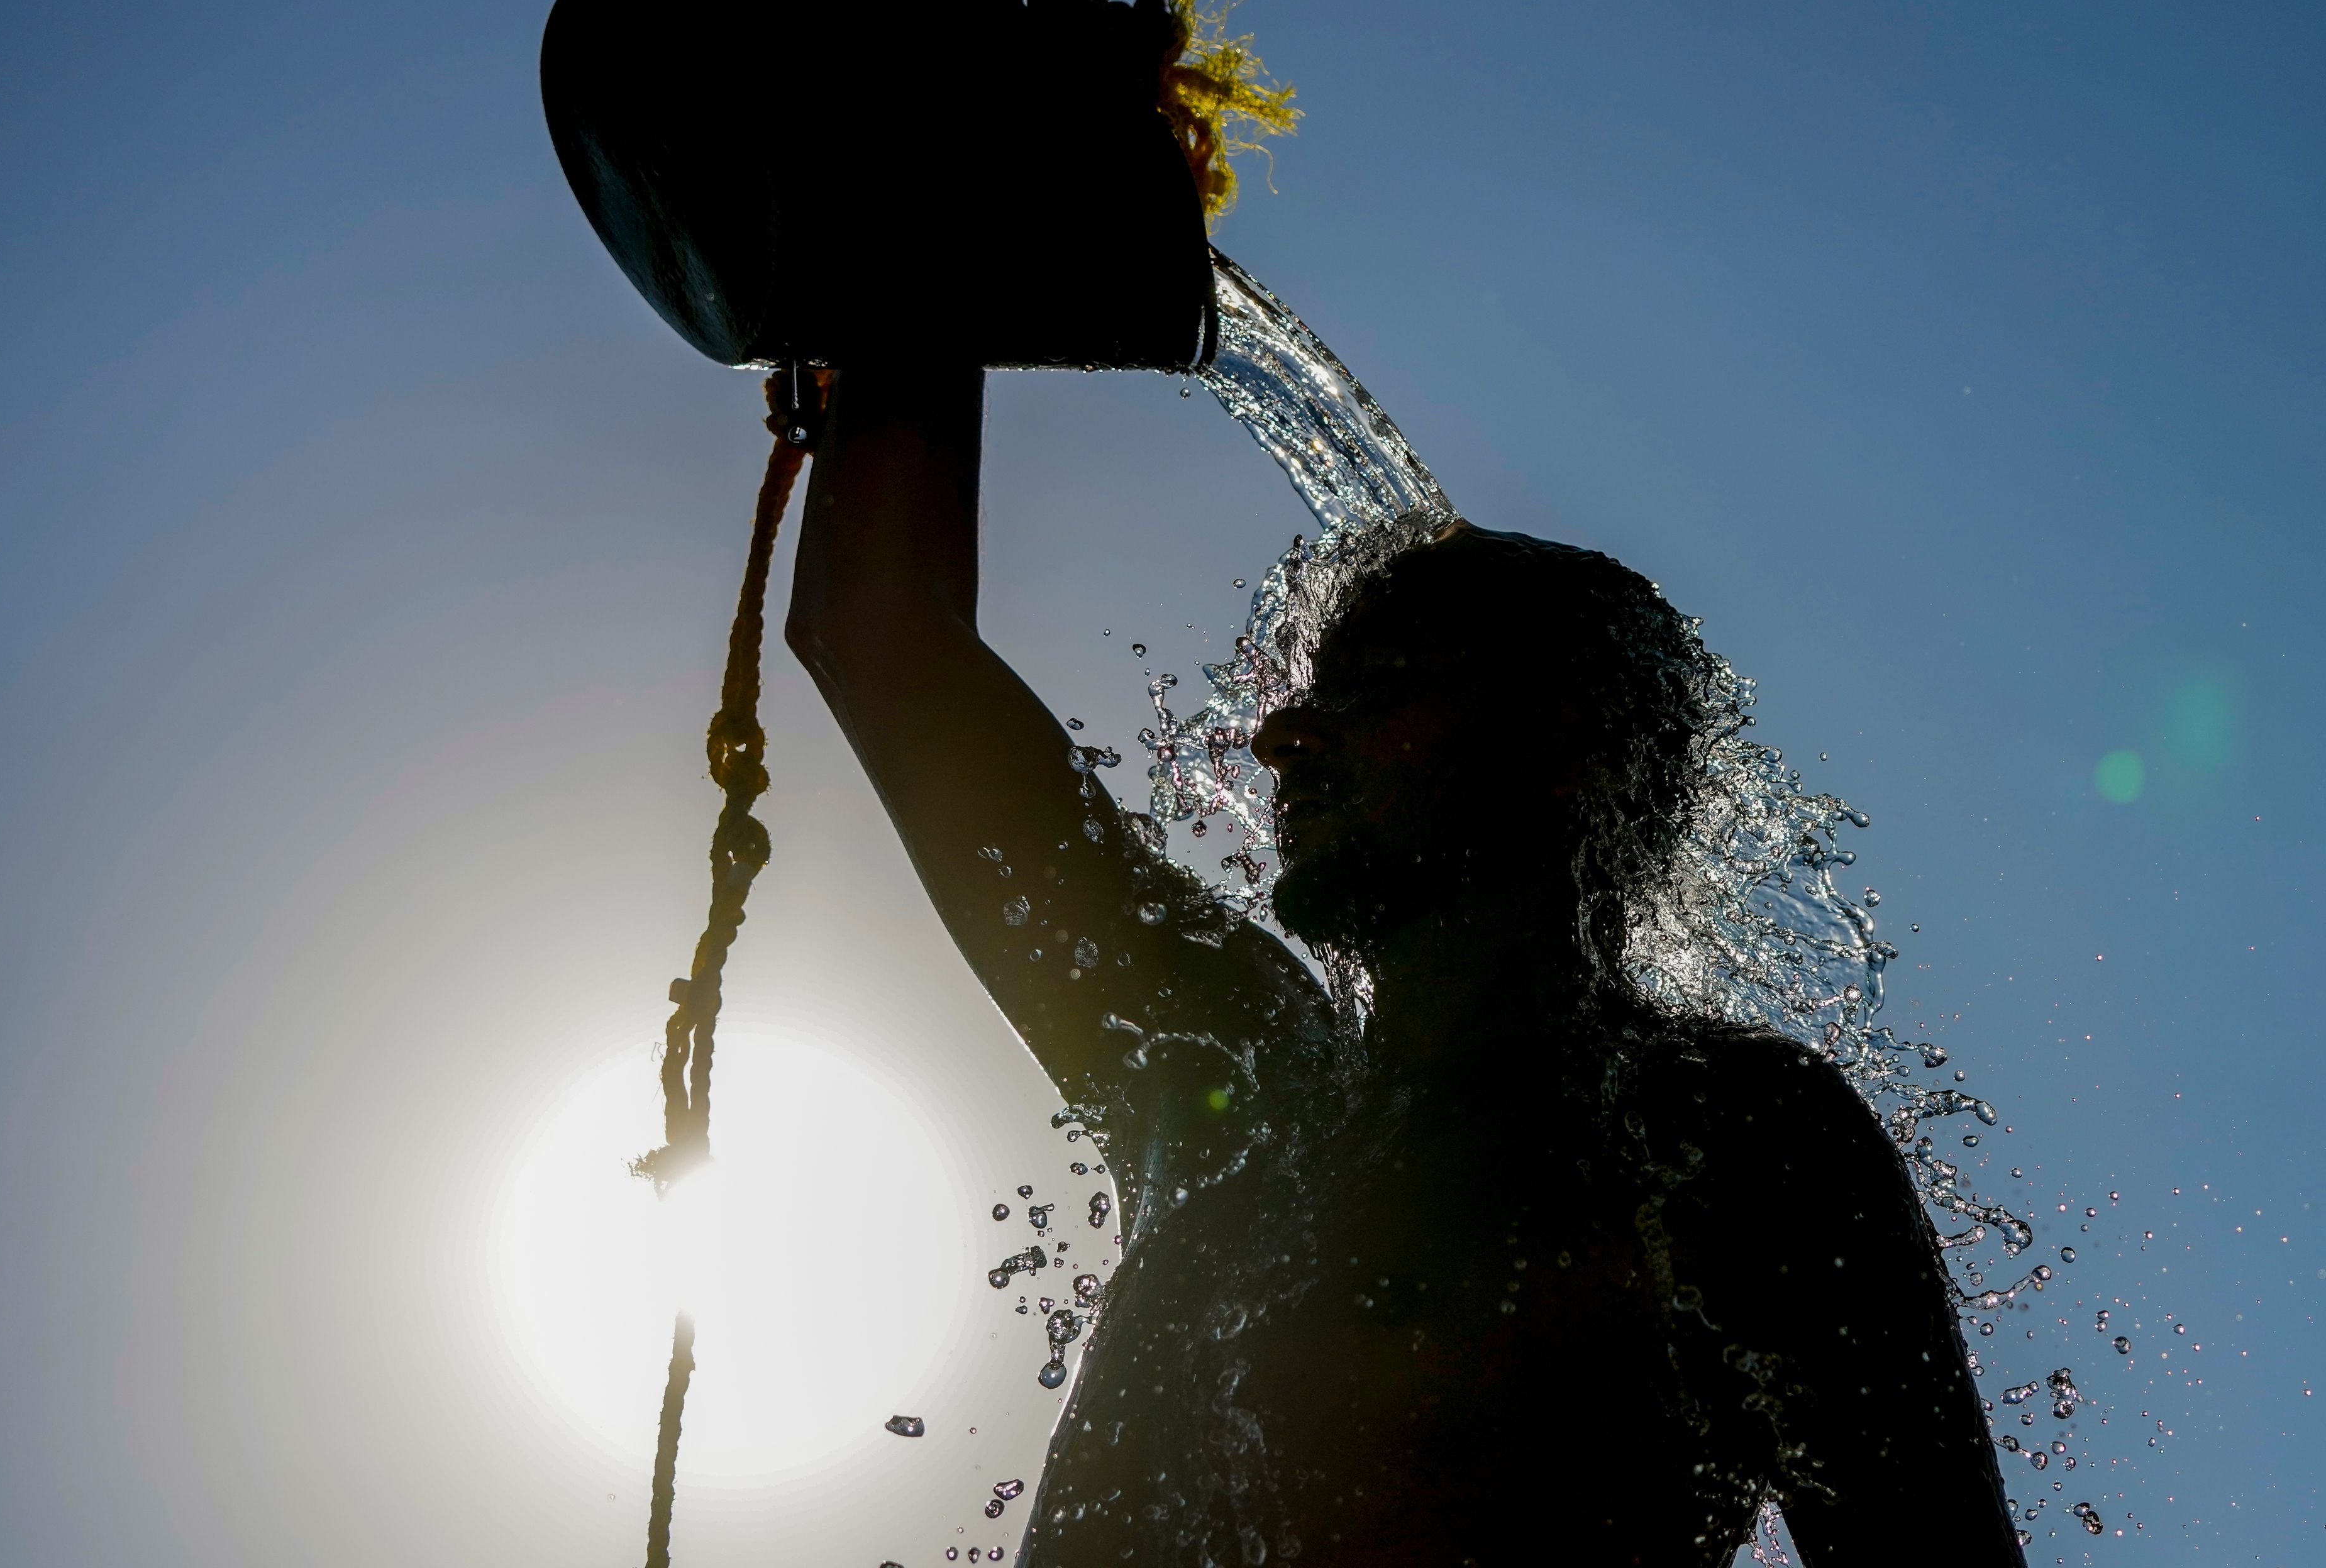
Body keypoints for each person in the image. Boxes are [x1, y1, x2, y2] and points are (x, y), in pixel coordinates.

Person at [787, 366, 2024, 1566]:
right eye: (1309, 696)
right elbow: (878, 634)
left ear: (1568, 751)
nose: (1285, 738)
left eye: (1377, 691)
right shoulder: (1220, 1058)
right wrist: (912, 291)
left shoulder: (1728, 1142)